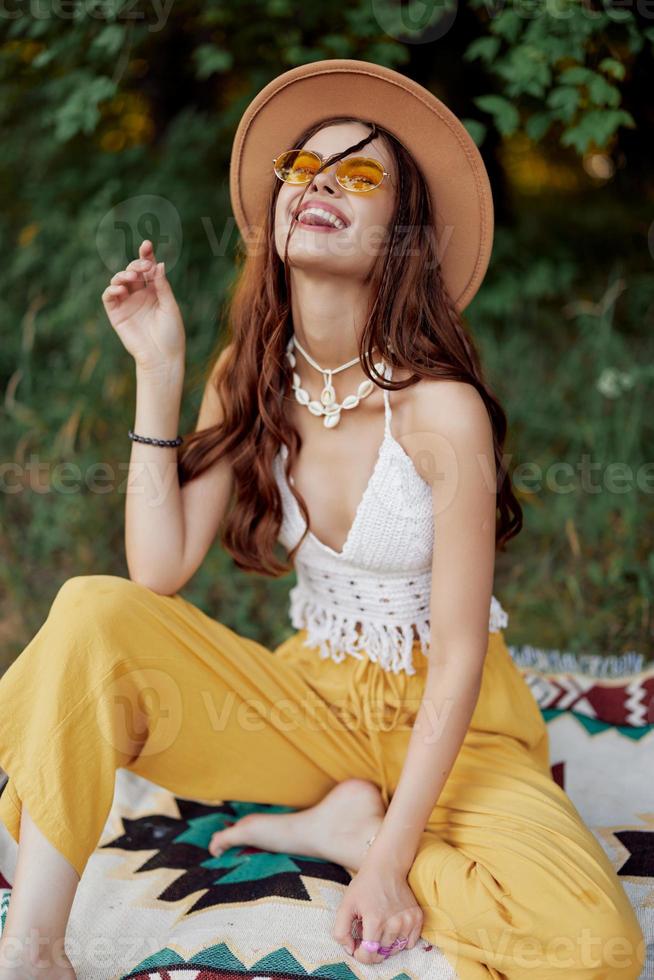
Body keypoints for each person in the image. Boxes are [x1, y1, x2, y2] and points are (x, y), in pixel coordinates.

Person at [0, 59, 645, 980]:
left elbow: (460, 653)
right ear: (275, 212)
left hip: (450, 731)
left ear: (402, 234)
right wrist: (161, 370)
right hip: (309, 708)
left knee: (598, 949)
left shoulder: (441, 411)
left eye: (361, 174)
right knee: (91, 612)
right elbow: (156, 570)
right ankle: (34, 949)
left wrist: (384, 862)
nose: (322, 184)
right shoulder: (246, 374)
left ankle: (352, 830)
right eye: (303, 169)